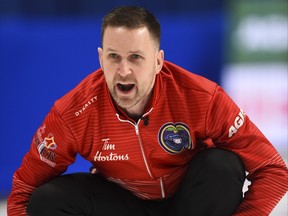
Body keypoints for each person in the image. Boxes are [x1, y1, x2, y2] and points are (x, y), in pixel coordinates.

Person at [7, 6, 287, 216]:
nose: (124, 70)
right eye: (114, 57)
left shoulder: (203, 98)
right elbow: (23, 193)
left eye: (136, 58)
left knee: (222, 165)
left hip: (190, 203)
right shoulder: (73, 113)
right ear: (101, 58)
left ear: (158, 61)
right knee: (47, 200)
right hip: (124, 204)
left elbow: (274, 171)